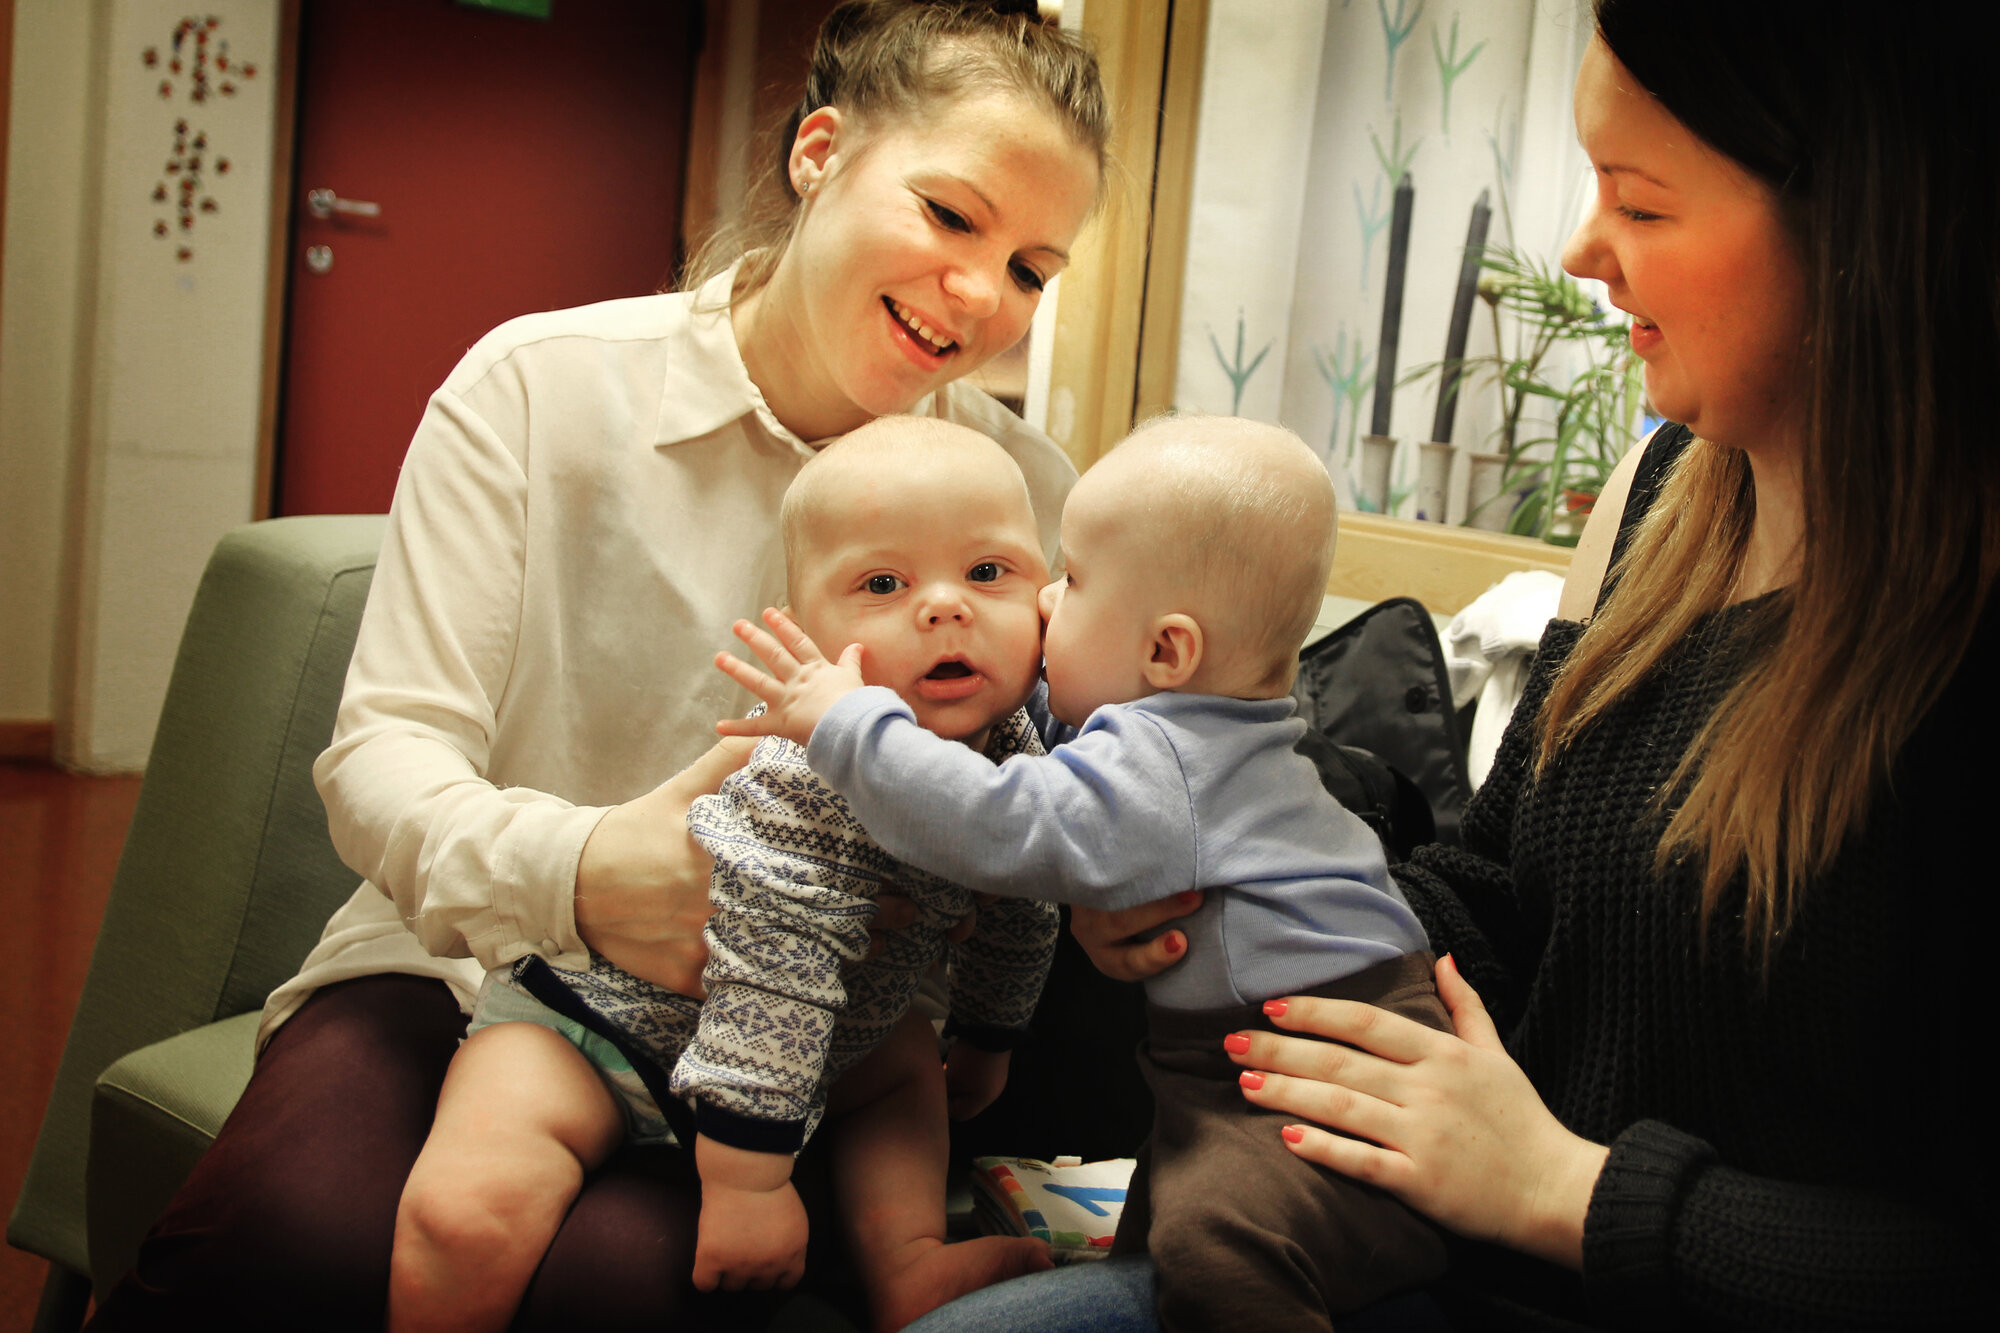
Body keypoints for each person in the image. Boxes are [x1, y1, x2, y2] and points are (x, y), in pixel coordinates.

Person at [902, 0, 1999, 1328]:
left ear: (1863, 226)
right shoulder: (1662, 499)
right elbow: (1496, 890)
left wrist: (1569, 1190)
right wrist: (1235, 893)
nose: (1583, 248)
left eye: (1641, 204)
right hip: (1451, 1249)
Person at [81, 4, 1109, 1329]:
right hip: (467, 956)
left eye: (1029, 269)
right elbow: (384, 754)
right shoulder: (540, 389)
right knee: (291, 1227)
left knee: (622, 1281)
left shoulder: (1028, 493)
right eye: (950, 216)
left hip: (805, 1022)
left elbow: (1072, 772)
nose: (979, 294)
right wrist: (587, 872)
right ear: (817, 153)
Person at [719, 416, 1454, 1332]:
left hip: (1321, 1067)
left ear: (1166, 653)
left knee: (1216, 1250)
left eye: (1068, 581)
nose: (1043, 602)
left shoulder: (1165, 760)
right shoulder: (1210, 735)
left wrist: (849, 723)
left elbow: (995, 822)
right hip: (1251, 1064)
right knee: (1166, 1229)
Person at [389, 417, 1060, 1333]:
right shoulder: (815, 776)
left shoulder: (1017, 752)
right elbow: (771, 972)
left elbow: (1023, 900)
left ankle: (908, 1261)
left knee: (903, 1055)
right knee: (462, 1215)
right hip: (601, 1029)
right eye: (882, 584)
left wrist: (987, 1034)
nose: (946, 608)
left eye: (987, 572)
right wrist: (751, 1185)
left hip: (832, 1045)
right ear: (807, 634)